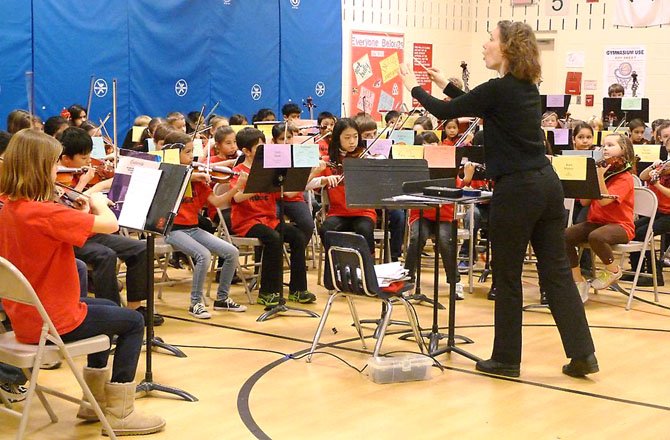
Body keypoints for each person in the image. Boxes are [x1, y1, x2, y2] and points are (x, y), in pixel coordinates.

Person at [400, 20, 597, 378]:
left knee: (506, 276)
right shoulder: (524, 88)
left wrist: (411, 84)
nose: (484, 46)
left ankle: (506, 359)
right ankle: (583, 353)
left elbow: (447, 111)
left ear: (506, 49)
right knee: (555, 273)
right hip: (547, 186)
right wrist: (444, 81)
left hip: (518, 189)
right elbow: (474, 100)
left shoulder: (499, 90)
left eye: (490, 40)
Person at [0, 128, 165, 436]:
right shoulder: (44, 212)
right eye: (53, 165)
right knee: (132, 322)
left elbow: (55, 230)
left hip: (26, 318)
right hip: (51, 322)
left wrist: (82, 210)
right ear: (40, 167)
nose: (58, 170)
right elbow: (110, 224)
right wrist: (98, 202)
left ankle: (93, 402)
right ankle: (119, 411)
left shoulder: (11, 208)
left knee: (105, 306)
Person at [163, 131, 246, 318]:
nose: (191, 156)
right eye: (187, 152)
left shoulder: (198, 179)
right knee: (203, 255)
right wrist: (191, 176)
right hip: (172, 230)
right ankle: (196, 303)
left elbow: (216, 202)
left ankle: (222, 299)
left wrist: (236, 188)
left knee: (231, 252)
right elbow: (170, 176)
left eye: (192, 151)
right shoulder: (165, 175)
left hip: (192, 228)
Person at [231, 127, 315, 307]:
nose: (264, 151)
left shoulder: (271, 170)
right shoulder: (238, 170)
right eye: (258, 148)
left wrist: (310, 174)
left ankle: (298, 290)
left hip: (270, 219)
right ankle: (268, 292)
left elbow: (289, 194)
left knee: (298, 236)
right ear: (246, 151)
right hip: (247, 222)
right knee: (274, 239)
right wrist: (257, 184)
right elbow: (236, 197)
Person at [565, 133, 635, 302]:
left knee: (596, 237)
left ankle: (613, 270)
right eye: (604, 145)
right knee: (564, 236)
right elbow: (584, 201)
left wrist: (599, 176)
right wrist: (589, 180)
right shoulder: (603, 171)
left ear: (623, 150)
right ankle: (578, 281)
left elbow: (604, 201)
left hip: (621, 226)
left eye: (611, 145)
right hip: (597, 222)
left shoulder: (625, 177)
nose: (605, 148)